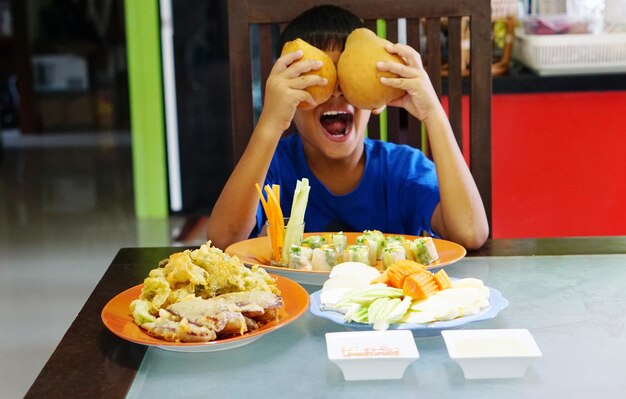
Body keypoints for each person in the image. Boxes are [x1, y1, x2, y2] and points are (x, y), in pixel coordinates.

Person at [207, 5, 488, 250]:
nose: (337, 92)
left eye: (350, 76)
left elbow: (470, 233)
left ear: (375, 100)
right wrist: (270, 122)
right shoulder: (273, 167)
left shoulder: (403, 169)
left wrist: (433, 115)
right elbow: (223, 240)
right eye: (319, 77)